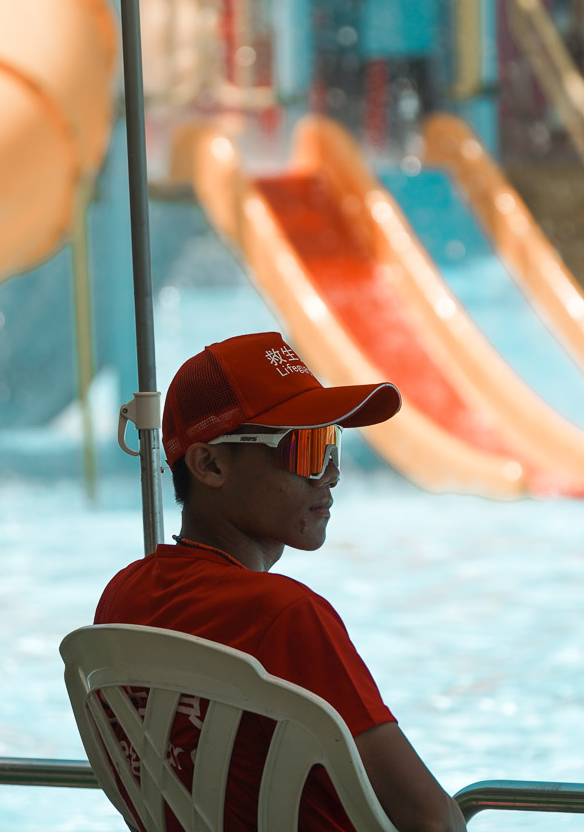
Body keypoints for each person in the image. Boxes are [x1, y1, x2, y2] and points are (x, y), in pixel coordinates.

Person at [94, 332, 467, 832]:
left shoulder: (122, 599)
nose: (331, 474)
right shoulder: (285, 614)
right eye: (306, 447)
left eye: (331, 444)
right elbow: (431, 818)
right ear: (210, 464)